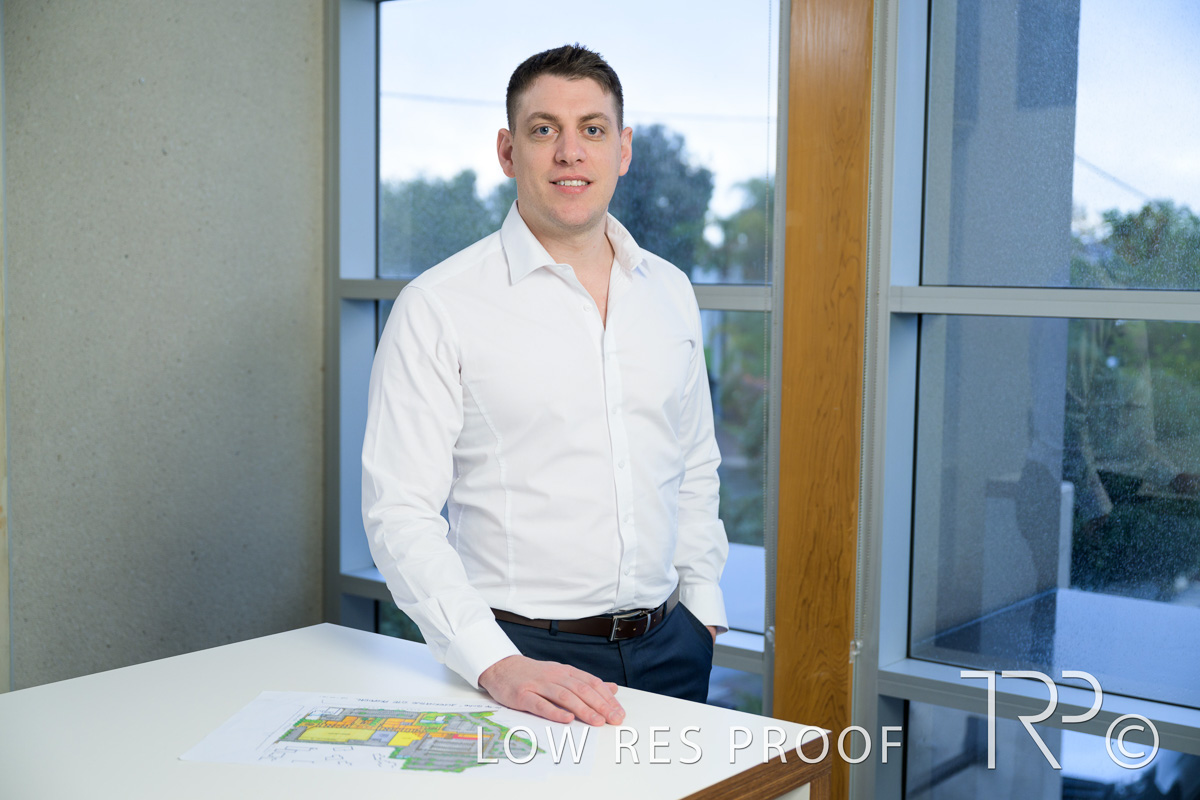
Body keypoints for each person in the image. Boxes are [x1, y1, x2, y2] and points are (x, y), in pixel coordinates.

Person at [362, 44, 729, 728]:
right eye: (543, 130)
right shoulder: (438, 305)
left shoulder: (670, 291)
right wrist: (493, 662)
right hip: (518, 659)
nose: (570, 152)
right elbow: (398, 512)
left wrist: (702, 608)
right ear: (508, 151)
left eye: (592, 129)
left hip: (673, 648)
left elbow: (692, 463)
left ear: (622, 149)